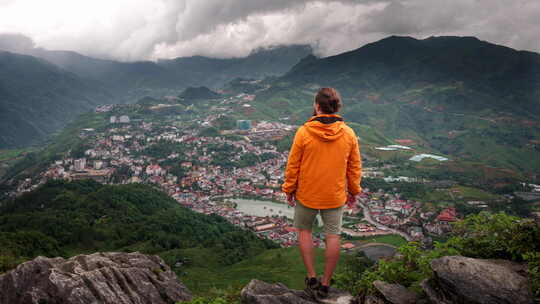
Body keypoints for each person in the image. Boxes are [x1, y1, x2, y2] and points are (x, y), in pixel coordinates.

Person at [281, 87, 362, 299]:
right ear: (337, 108)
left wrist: (289, 188)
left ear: (317, 106)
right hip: (334, 195)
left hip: (307, 193)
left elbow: (293, 165)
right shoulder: (349, 133)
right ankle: (326, 284)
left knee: (304, 231)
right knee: (333, 236)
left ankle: (311, 277)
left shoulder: (304, 132)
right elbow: (354, 167)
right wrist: (354, 190)